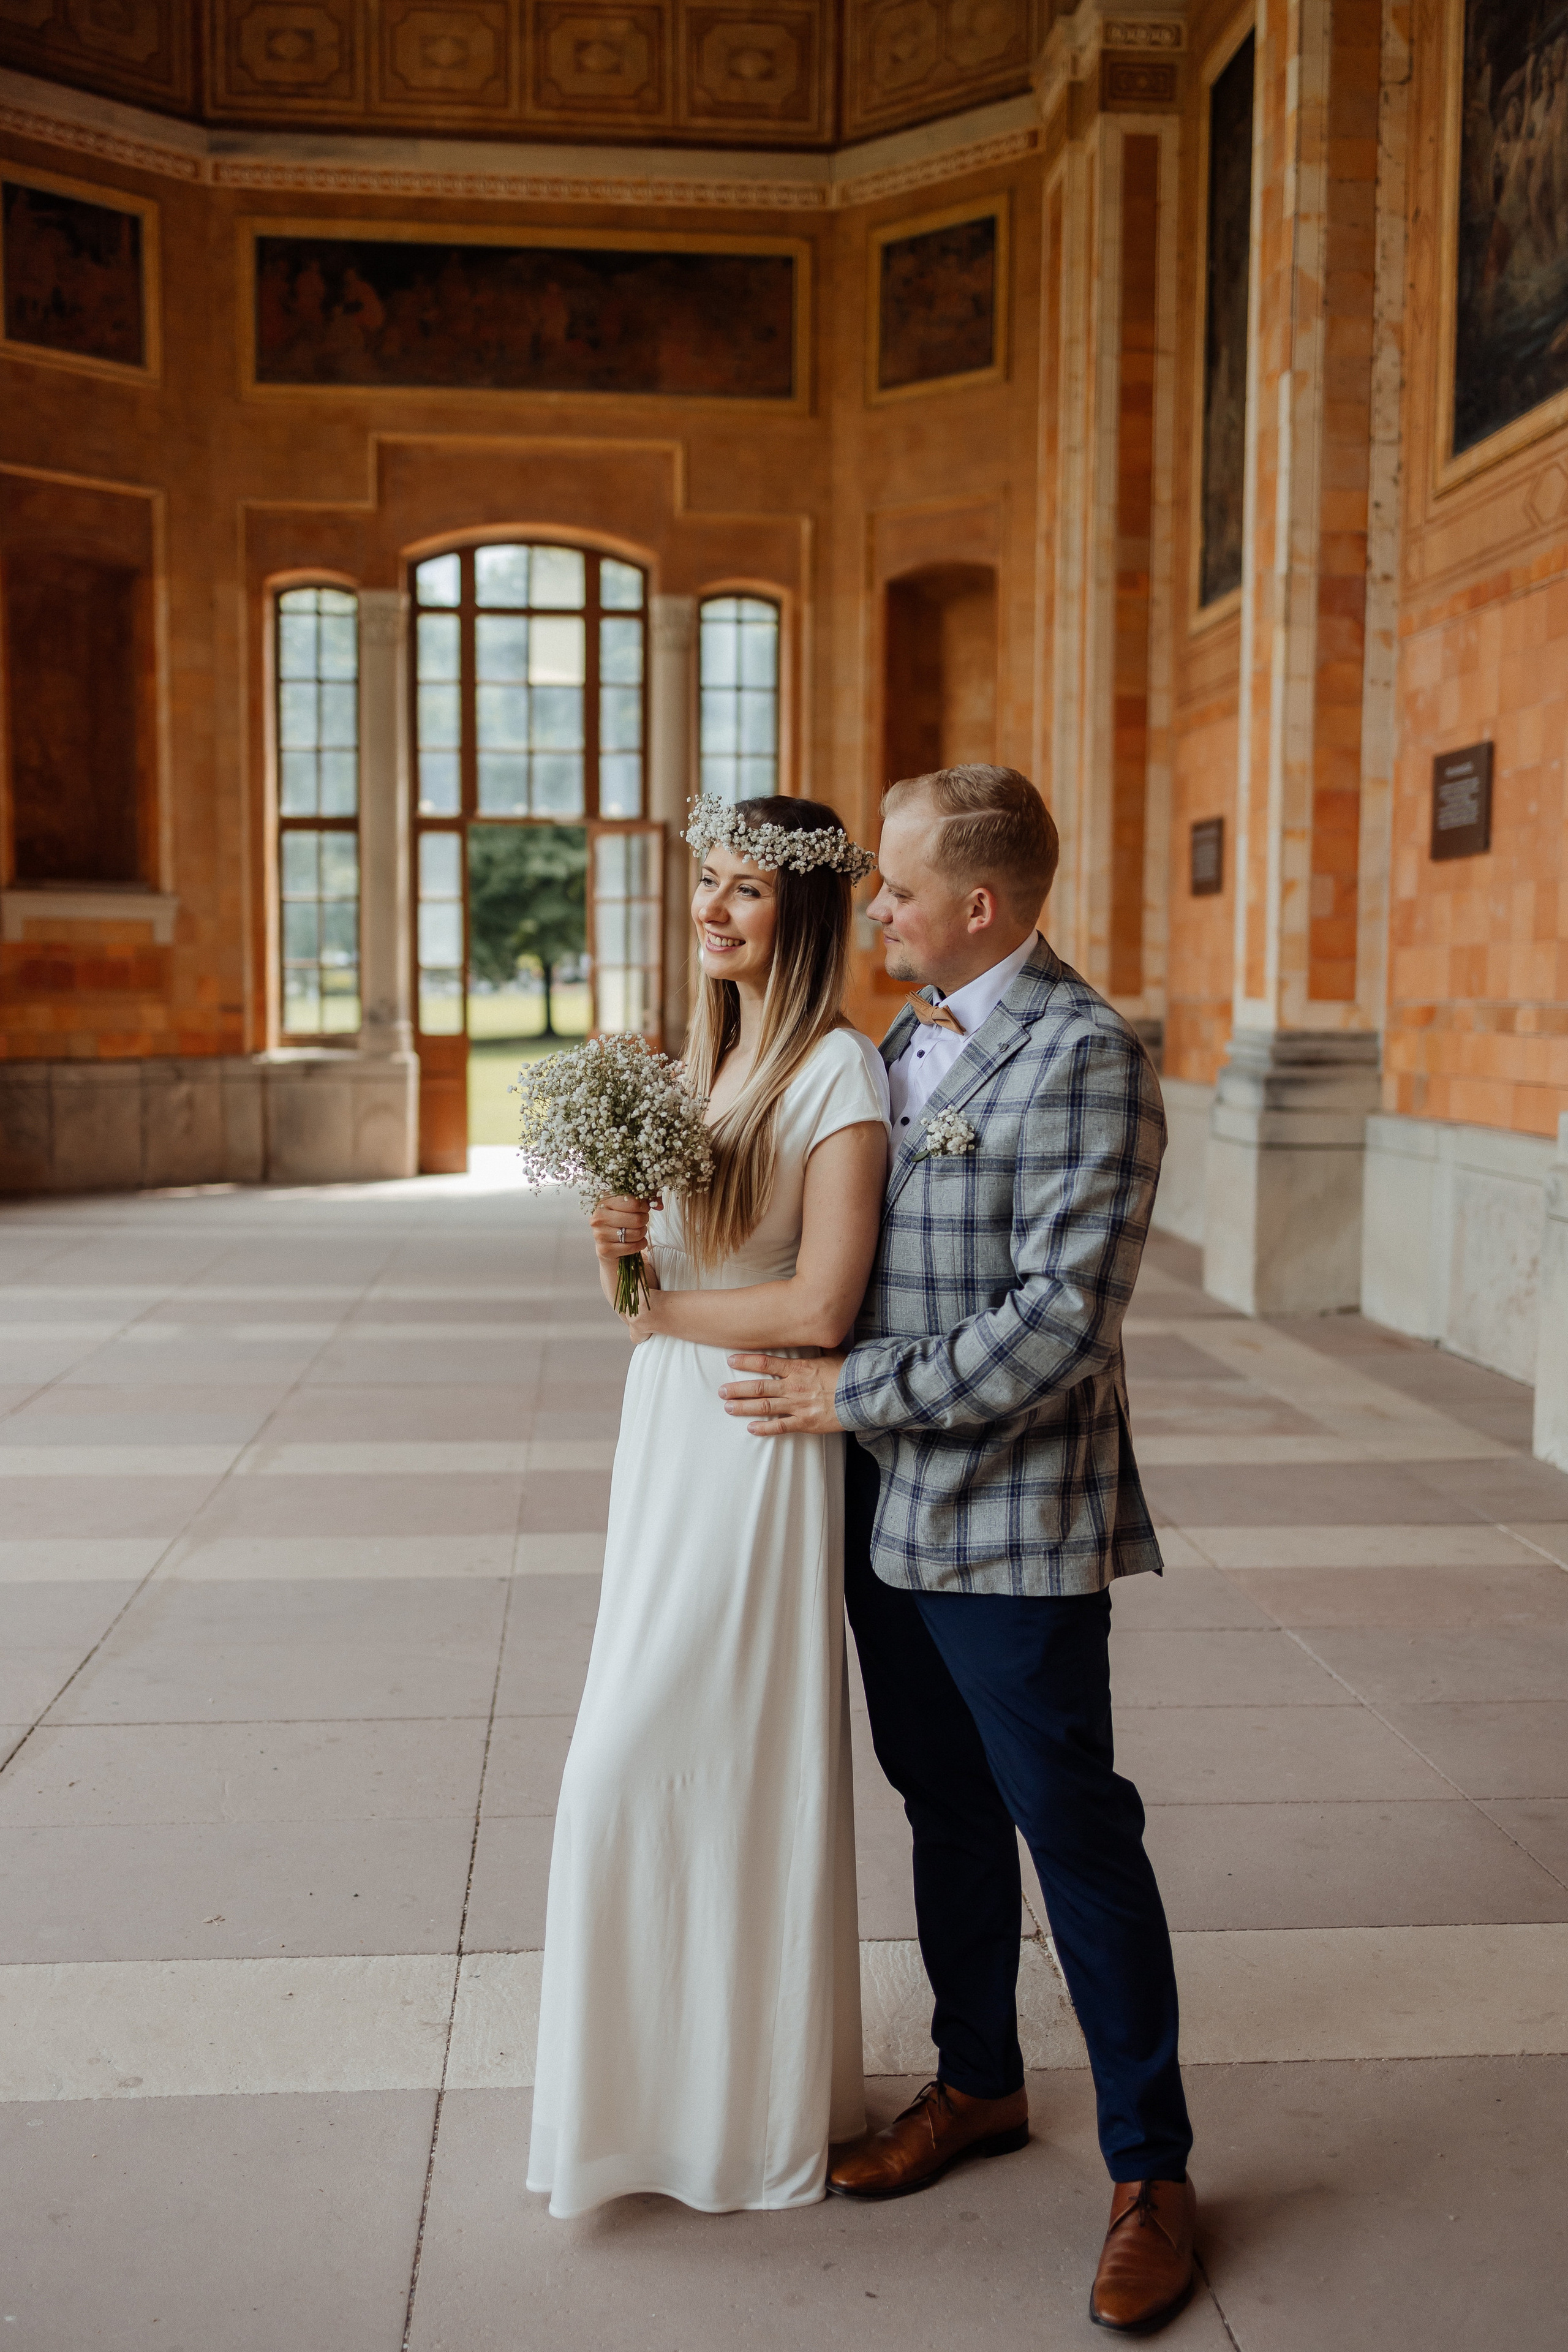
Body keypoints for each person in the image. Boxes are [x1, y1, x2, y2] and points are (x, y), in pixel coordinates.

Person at [719, 764, 1197, 2335]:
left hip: (1010, 1520)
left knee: (1073, 1827)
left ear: (976, 904)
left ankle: (1152, 2172)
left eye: (899, 889)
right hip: (876, 1514)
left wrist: (852, 1389)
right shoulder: (894, 1044)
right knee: (938, 1804)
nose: (876, 909)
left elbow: (1062, 1322)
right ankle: (977, 2082)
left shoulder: (1088, 1059)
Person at [527, 795, 890, 2218]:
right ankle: (648, 2116)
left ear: (801, 916)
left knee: (670, 1761)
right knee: (647, 1756)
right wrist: (613, 1239)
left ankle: (742, 2115)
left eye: (746, 891)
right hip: (670, 1433)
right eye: (707, 884)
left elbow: (818, 1302)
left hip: (754, 1440)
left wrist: (654, 1302)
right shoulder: (701, 1064)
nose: (715, 911)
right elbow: (640, 1300)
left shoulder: (836, 1076)